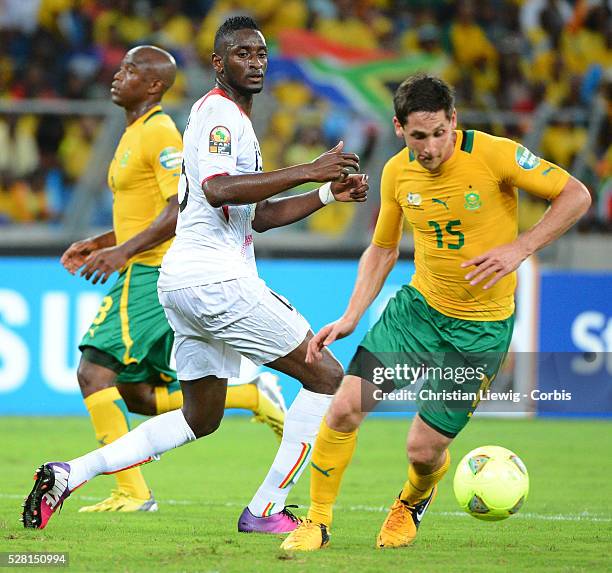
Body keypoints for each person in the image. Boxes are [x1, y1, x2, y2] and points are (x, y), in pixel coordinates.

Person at [22, 17, 368, 531]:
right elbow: (219, 189)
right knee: (328, 376)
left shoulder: (235, 125)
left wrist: (323, 194)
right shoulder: (218, 115)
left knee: (199, 418)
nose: (255, 63)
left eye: (261, 54)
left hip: (185, 285)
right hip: (216, 282)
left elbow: (257, 214)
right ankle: (267, 509)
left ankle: (69, 474)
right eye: (243, 54)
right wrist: (308, 169)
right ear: (218, 62)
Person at [280, 73, 591, 551]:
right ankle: (316, 523)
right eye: (418, 136)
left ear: (454, 122)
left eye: (438, 134)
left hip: (481, 331)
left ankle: (411, 501)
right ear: (399, 128)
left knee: (422, 451)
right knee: (344, 407)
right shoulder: (396, 172)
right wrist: (350, 315)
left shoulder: (496, 154)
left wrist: (520, 248)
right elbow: (382, 249)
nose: (429, 148)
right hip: (419, 312)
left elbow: (576, 195)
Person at [54, 44, 287, 515]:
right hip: (144, 263)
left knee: (94, 371)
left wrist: (120, 251)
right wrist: (102, 241)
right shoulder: (134, 132)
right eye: (120, 68)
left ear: (155, 85)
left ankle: (133, 492)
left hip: (149, 269)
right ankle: (248, 394)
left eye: (131, 70)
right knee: (136, 394)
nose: (118, 76)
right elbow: (151, 208)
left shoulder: (159, 133)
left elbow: (174, 210)